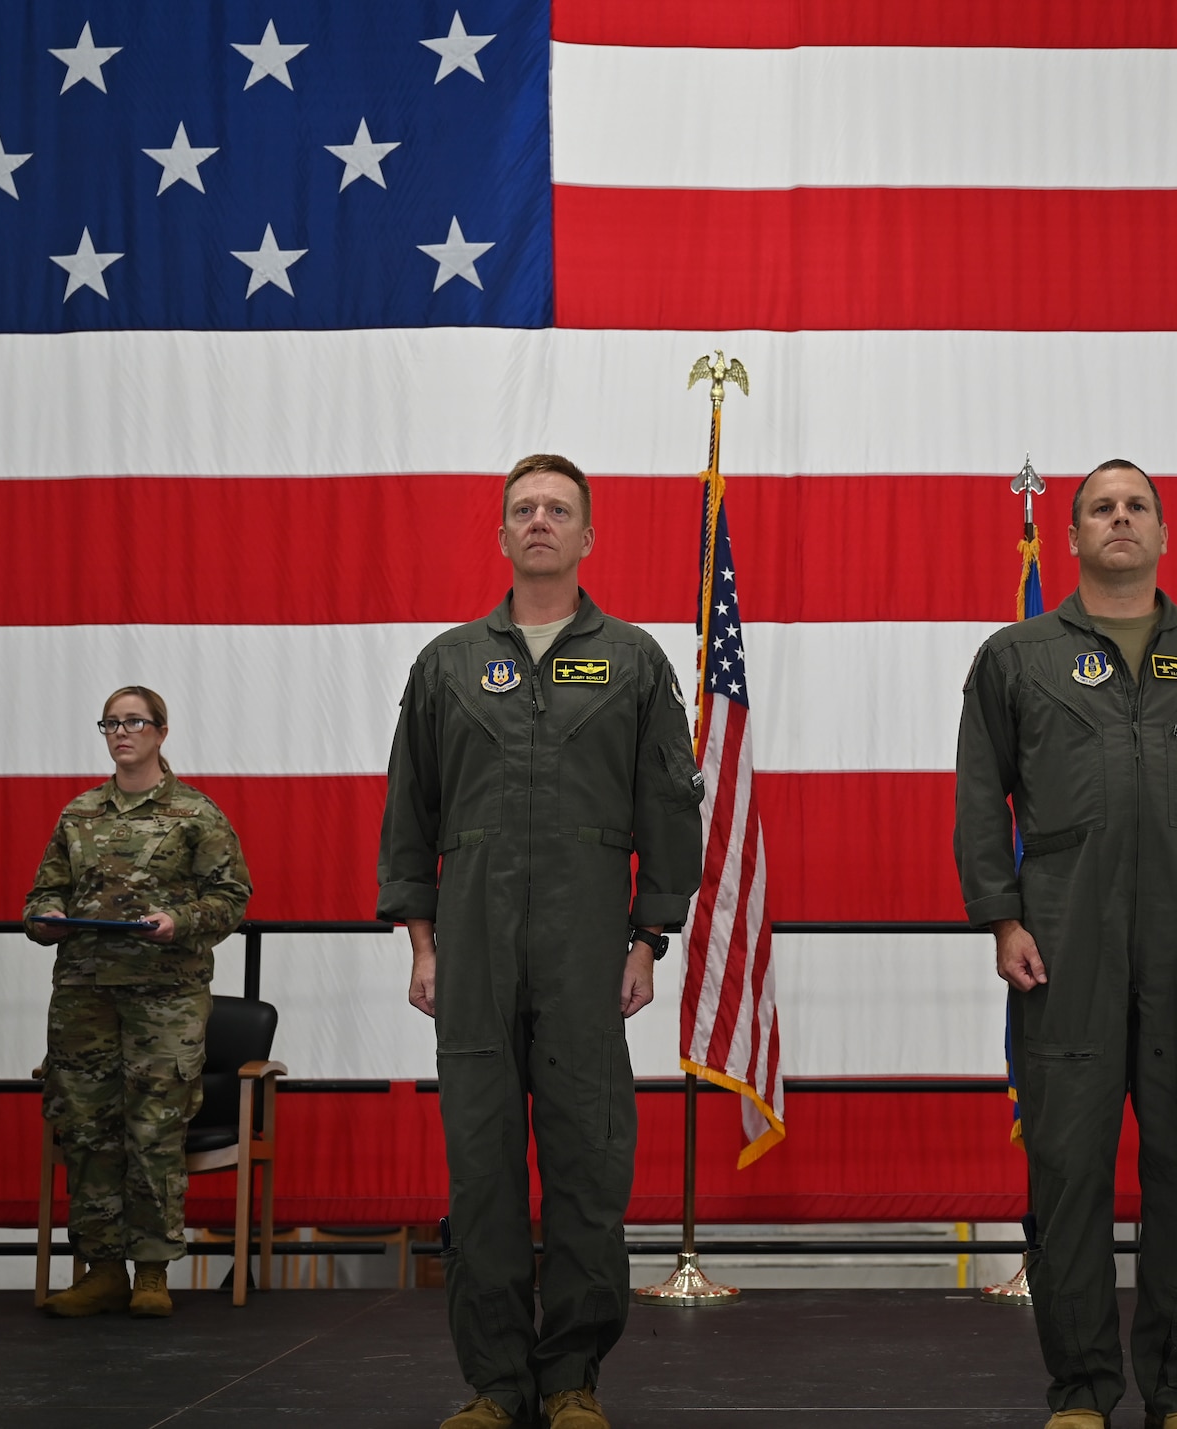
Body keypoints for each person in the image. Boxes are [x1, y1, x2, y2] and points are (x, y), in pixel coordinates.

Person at [954, 460, 1177, 1429]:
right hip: (1061, 942)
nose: (1118, 518)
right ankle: (1080, 1390)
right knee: (1065, 1169)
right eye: (1099, 506)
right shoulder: (1016, 656)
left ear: (1161, 533)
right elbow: (981, 797)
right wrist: (1000, 914)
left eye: (1134, 505)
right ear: (1071, 537)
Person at [378, 454, 704, 1429]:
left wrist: (648, 935)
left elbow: (668, 810)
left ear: (587, 534)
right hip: (472, 955)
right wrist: (422, 945)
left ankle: (570, 1380)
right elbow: (411, 814)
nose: (539, 521)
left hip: (583, 955)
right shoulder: (446, 662)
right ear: (502, 534)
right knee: (479, 1178)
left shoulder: (634, 660)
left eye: (558, 508)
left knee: (585, 1173)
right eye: (523, 508)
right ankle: (494, 1383)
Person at [23, 685, 253, 1319]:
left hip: (165, 998)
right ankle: (101, 1271)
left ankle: (151, 1272)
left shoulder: (194, 814)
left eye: (134, 722)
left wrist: (179, 921)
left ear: (160, 731)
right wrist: (45, 917)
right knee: (88, 1129)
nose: (121, 733)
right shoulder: (79, 814)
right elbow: (44, 894)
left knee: (155, 1130)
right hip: (85, 996)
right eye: (110, 724)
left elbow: (232, 896)